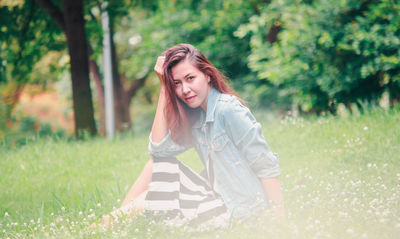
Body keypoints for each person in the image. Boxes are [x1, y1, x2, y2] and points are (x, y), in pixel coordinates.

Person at [102, 44, 285, 228]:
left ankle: (104, 228)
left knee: (145, 200)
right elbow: (158, 151)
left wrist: (278, 224)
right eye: (177, 83)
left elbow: (266, 166)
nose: (185, 89)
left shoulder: (227, 109)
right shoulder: (197, 117)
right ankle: (114, 225)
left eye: (190, 78)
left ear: (207, 75)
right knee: (154, 165)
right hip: (218, 199)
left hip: (241, 212)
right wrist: (164, 87)